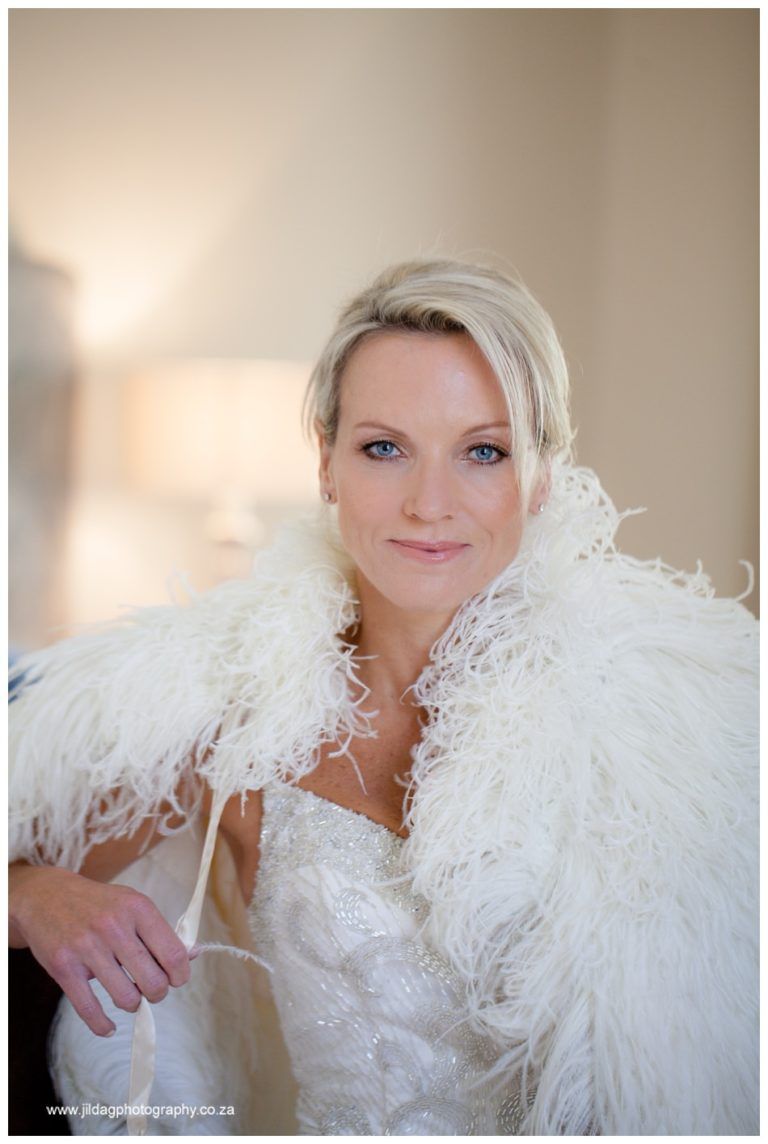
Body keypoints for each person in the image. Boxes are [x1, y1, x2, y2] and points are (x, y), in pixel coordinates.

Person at [9, 259, 758, 1136]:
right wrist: (29, 893)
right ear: (326, 464)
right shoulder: (235, 721)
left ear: (543, 476)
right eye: (383, 448)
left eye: (484, 451)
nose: (429, 503)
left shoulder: (670, 735)